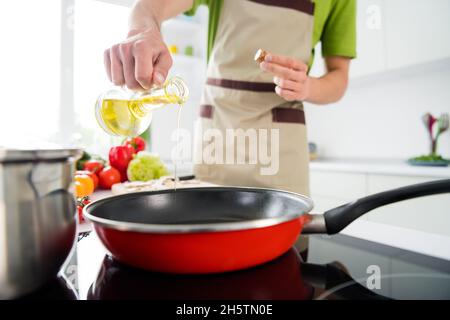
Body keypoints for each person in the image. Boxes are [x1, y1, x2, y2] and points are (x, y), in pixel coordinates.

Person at [104, 0, 356, 255]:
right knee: (204, 246)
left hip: (282, 143)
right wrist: (142, 31)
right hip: (220, 130)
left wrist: (308, 87)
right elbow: (149, 7)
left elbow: (339, 77)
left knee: (284, 255)